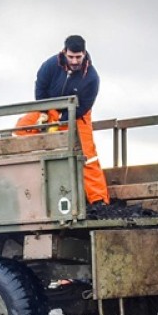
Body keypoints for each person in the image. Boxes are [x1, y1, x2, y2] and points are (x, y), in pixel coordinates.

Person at [34, 35, 110, 205]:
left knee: (87, 154)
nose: (75, 61)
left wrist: (62, 121)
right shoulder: (50, 66)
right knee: (24, 127)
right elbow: (40, 87)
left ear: (84, 54)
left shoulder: (91, 77)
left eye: (78, 57)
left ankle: (98, 199)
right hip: (50, 108)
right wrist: (44, 113)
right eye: (71, 57)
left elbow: (84, 105)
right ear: (64, 52)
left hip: (78, 113)